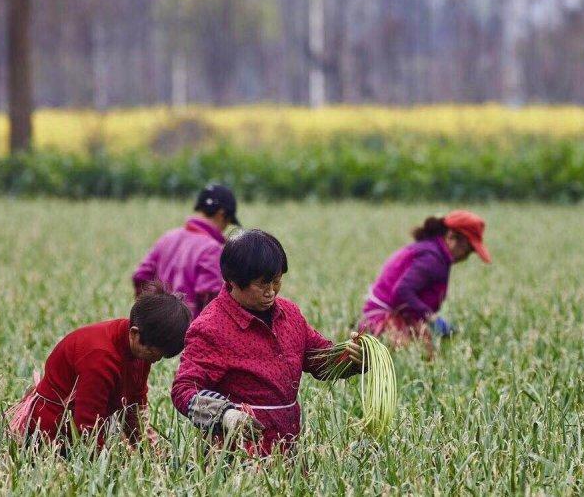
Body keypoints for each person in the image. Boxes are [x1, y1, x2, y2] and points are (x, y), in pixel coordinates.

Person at [171, 229, 363, 457]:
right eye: (262, 284)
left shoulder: (289, 314)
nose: (271, 292)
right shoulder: (211, 327)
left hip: (288, 449)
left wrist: (353, 357)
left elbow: (319, 359)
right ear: (233, 281)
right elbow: (184, 390)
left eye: (277, 281)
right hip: (237, 455)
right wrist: (226, 415)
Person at [5, 282, 191, 450]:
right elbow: (87, 429)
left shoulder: (140, 349)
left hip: (81, 426)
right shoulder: (100, 357)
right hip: (50, 433)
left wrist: (152, 451)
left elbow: (134, 406)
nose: (155, 361)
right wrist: (108, 464)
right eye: (153, 353)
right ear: (135, 334)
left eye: (161, 356)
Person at [358, 210, 490, 351]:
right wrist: (432, 318)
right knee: (414, 352)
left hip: (395, 315)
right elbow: (402, 290)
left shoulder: (434, 251)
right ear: (451, 236)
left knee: (429, 351)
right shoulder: (432, 259)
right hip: (381, 319)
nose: (466, 256)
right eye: (467, 249)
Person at [132, 183, 240, 318]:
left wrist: (151, 316)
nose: (225, 228)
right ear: (221, 214)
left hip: (156, 331)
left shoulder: (167, 237)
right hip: (188, 333)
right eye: (228, 222)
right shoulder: (212, 248)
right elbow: (211, 296)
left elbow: (141, 276)